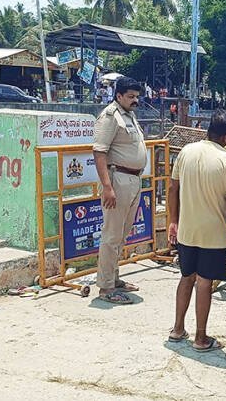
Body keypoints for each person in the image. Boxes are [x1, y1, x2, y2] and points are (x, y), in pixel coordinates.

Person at [167, 109, 226, 352]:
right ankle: (201, 338)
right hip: (214, 234)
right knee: (204, 283)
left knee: (186, 277)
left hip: (187, 230)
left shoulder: (186, 152)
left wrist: (173, 221)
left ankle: (177, 329)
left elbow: (172, 189)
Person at [92, 76, 148, 304]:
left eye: (137, 96)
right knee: (112, 235)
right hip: (118, 180)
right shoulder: (110, 116)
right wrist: (107, 187)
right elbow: (99, 152)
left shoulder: (129, 115)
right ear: (119, 96)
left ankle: (114, 279)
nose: (135, 100)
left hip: (132, 180)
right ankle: (105, 288)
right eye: (131, 96)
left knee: (122, 234)